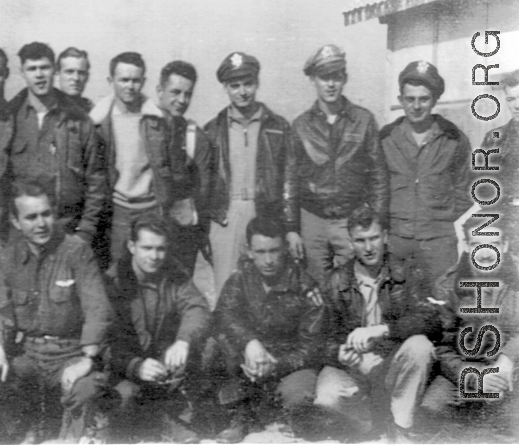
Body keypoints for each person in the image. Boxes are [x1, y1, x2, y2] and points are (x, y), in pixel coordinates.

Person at [0, 180, 112, 443]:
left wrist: (86, 359)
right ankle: (26, 431)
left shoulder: (76, 250)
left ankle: (71, 433)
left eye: (46, 214)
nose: (41, 223)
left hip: (71, 352)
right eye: (31, 217)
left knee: (86, 389)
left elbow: (98, 309)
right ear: (16, 222)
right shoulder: (6, 255)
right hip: (30, 353)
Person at [313, 205, 441, 442]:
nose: (369, 247)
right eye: (360, 240)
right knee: (327, 397)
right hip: (353, 368)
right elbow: (317, 338)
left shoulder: (407, 270)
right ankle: (371, 421)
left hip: (392, 363)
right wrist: (339, 353)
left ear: (385, 237)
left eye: (374, 238)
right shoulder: (335, 280)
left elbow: (431, 319)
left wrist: (383, 330)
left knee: (420, 346)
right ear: (351, 243)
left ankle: (401, 426)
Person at [212, 217, 325, 443]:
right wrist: (249, 343)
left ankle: (277, 422)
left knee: (299, 397)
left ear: (285, 249)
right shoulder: (240, 279)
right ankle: (240, 418)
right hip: (247, 363)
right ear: (249, 251)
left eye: (274, 251)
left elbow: (313, 346)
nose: (268, 260)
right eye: (260, 252)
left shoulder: (305, 287)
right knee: (213, 349)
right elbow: (224, 314)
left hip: (287, 364)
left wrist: (276, 365)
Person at [0, 42, 106, 249]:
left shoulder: (78, 121)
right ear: (22, 73)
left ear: (55, 71)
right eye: (32, 69)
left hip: (65, 232)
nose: (39, 75)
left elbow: (96, 181)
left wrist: (85, 232)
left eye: (45, 68)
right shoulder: (5, 121)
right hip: (18, 234)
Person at [286, 45, 388, 284]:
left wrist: (378, 223)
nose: (331, 84)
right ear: (313, 79)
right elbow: (289, 178)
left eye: (337, 77)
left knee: (354, 284)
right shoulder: (300, 125)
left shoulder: (363, 121)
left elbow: (378, 175)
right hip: (313, 220)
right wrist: (291, 227)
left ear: (345, 79)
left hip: (351, 218)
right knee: (315, 288)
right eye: (324, 77)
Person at [105, 214, 210, 443]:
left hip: (162, 363)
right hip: (124, 368)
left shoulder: (174, 273)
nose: (154, 256)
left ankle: (171, 418)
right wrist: (135, 366)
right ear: (132, 246)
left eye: (161, 249)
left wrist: (183, 340)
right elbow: (104, 344)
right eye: (147, 248)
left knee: (208, 347)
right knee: (124, 400)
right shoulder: (113, 282)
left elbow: (197, 307)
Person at [202, 52, 296, 302]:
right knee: (227, 292)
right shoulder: (212, 130)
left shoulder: (278, 126)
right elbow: (204, 183)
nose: (242, 91)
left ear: (257, 83)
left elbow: (289, 178)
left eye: (248, 83)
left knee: (266, 291)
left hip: (264, 213)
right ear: (225, 87)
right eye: (235, 85)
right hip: (226, 217)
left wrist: (288, 226)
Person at [90, 51, 193, 266]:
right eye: (123, 80)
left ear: (143, 81)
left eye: (135, 80)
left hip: (151, 209)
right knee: (116, 271)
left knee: (153, 269)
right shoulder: (98, 123)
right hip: (117, 211)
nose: (130, 86)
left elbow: (176, 172)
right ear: (111, 81)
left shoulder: (160, 120)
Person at [380, 61, 472, 281]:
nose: (416, 106)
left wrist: (439, 219)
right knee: (395, 307)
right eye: (410, 99)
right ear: (401, 100)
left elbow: (465, 189)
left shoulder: (454, 139)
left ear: (434, 100)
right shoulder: (385, 138)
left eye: (424, 99)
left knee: (441, 304)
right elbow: (376, 185)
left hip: (438, 242)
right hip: (396, 240)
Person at [420, 218, 518, 414]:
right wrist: (477, 377)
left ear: (505, 245)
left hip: (513, 368)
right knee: (433, 406)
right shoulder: (447, 286)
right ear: (465, 245)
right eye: (476, 245)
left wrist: (508, 358)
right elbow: (442, 349)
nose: (484, 254)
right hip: (468, 369)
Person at [155, 60, 212, 277]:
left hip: (179, 236)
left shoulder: (195, 136)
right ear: (160, 90)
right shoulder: (140, 126)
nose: (182, 100)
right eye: (175, 92)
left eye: (188, 94)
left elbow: (203, 191)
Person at [476, 68, 519, 248]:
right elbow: (483, 191)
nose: (517, 105)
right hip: (507, 227)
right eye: (511, 99)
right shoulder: (494, 139)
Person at [57, 47, 94, 112]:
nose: (76, 78)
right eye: (69, 72)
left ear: (87, 77)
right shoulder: (47, 107)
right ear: (57, 74)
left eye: (81, 73)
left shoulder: (93, 111)